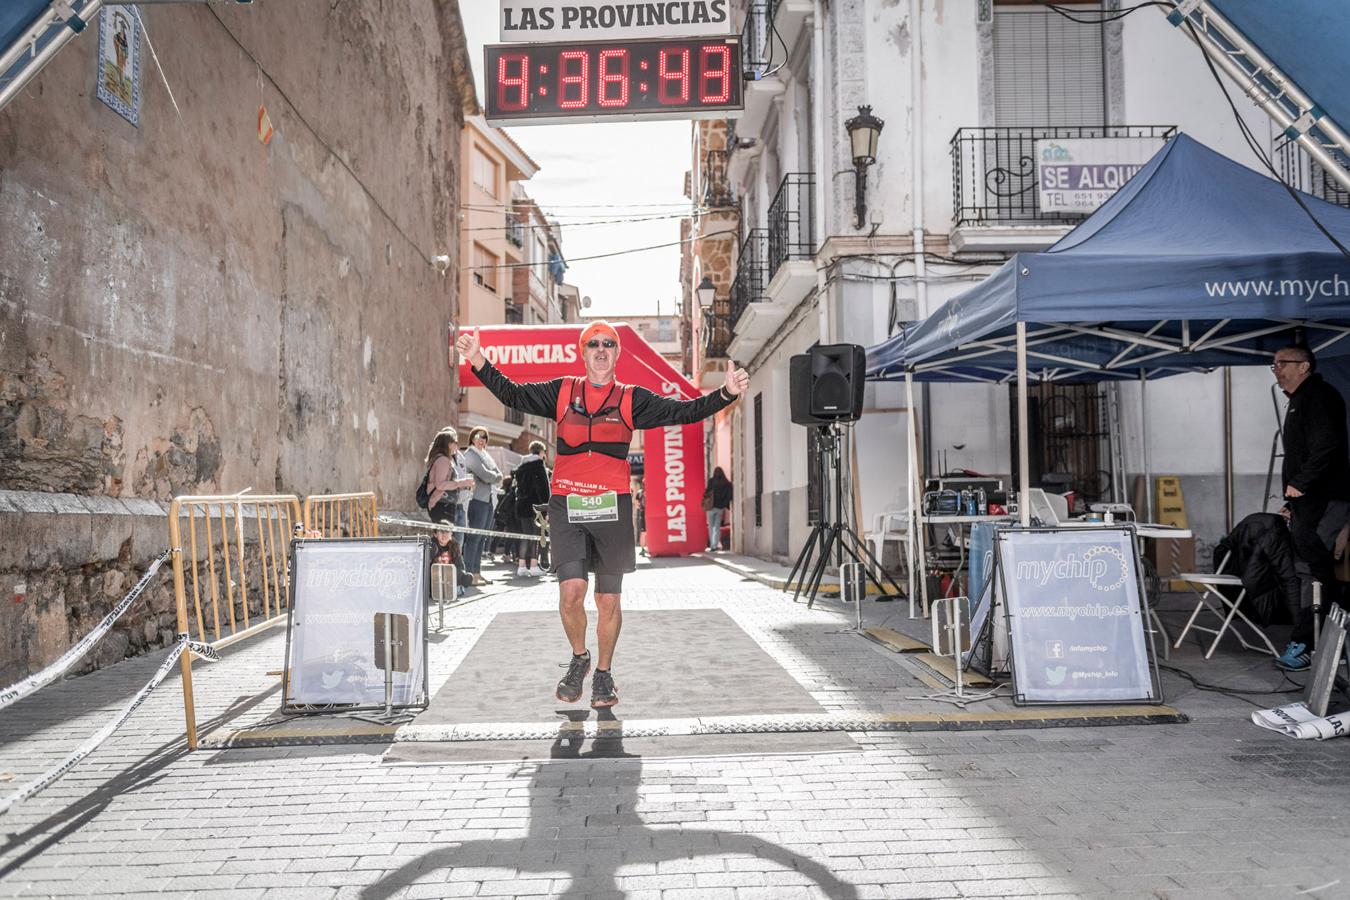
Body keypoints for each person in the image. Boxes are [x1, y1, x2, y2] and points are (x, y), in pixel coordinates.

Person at [456, 321, 748, 708]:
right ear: (582, 351)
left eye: (608, 344)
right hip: (567, 503)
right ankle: (580, 659)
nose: (600, 349)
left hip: (612, 506)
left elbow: (683, 411)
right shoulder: (562, 391)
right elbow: (513, 392)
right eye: (593, 343)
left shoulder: (631, 398)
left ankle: (605, 675)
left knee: (608, 600)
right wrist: (478, 359)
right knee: (571, 592)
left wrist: (726, 393)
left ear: (617, 353)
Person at [1271, 343, 1350, 671]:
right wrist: (1293, 500)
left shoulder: (1318, 396)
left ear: (1304, 367)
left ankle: (1314, 641)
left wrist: (1301, 484)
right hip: (1307, 501)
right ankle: (1313, 639)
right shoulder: (1299, 400)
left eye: (1282, 363)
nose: (1276, 369)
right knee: (1307, 568)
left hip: (1323, 498)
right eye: (1273, 364)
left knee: (1316, 569)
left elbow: (1327, 445)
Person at [462, 426, 503, 586]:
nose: (481, 440)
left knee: (482, 539)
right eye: (478, 436)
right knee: (474, 538)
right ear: (472, 438)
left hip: (488, 500)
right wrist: (493, 476)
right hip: (476, 500)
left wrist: (493, 476)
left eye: (484, 437)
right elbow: (486, 475)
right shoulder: (471, 455)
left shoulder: (485, 455)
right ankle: (470, 574)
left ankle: (477, 573)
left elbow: (497, 474)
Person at [514, 440, 552, 577]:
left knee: (525, 535)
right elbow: (544, 489)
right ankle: (534, 566)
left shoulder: (522, 466)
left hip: (522, 506)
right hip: (536, 507)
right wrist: (547, 508)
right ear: (541, 452)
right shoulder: (539, 465)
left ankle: (522, 566)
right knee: (536, 536)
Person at [424, 428, 474, 528]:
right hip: (442, 505)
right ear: (447, 444)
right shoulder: (443, 460)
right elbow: (440, 484)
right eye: (455, 442)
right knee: (445, 539)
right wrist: (461, 483)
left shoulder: (444, 459)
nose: (457, 445)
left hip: (445, 504)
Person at [430, 522, 474, 592]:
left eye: (447, 531)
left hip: (450, 576)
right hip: (435, 577)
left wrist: (449, 574)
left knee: (468, 577)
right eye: (441, 532)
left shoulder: (455, 545)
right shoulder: (431, 546)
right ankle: (452, 590)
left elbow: (460, 566)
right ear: (435, 534)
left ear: (451, 534)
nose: (444, 534)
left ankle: (450, 589)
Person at [703, 467, 733, 552]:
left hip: (711, 507)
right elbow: (729, 496)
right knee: (717, 527)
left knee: (711, 527)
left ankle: (712, 545)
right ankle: (714, 545)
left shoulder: (711, 481)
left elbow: (706, 493)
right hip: (720, 508)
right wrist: (724, 504)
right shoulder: (726, 483)